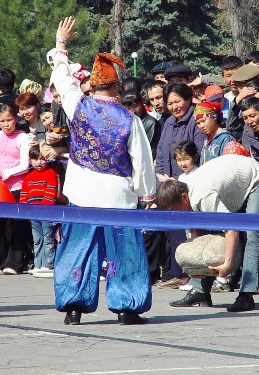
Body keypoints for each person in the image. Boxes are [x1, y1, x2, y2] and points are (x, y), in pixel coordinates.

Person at [49, 16, 156, 325]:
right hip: (118, 197)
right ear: (116, 87)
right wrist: (146, 193)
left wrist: (61, 44)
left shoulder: (77, 106)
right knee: (124, 252)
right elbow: (142, 161)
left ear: (93, 85)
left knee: (77, 250)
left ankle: (73, 307)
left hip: (82, 193)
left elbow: (62, 78)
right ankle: (126, 308)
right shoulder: (129, 119)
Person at [156, 154, 259, 312]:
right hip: (232, 185)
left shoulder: (203, 196)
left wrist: (228, 264)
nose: (174, 215)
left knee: (251, 232)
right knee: (210, 230)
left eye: (173, 210)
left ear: (183, 197)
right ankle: (200, 292)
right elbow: (196, 230)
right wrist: (197, 268)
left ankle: (246, 295)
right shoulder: (185, 189)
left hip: (254, 177)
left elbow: (231, 228)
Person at [155, 81, 205, 289]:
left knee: (189, 231)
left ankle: (190, 273)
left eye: (178, 101)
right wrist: (160, 177)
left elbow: (199, 153)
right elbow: (160, 152)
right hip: (168, 185)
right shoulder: (168, 122)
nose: (175, 106)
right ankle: (176, 272)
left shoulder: (195, 120)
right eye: (170, 103)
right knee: (173, 231)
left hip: (188, 185)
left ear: (187, 99)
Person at [0, 104, 30, 275]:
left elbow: (24, 166)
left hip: (18, 187)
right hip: (0, 188)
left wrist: (3, 173)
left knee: (17, 226)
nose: (6, 124)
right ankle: (0, 261)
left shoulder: (22, 137)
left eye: (9, 120)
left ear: (16, 119)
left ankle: (15, 263)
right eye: (2, 121)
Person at [19, 145, 61, 277]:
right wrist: (24, 209)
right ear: (30, 161)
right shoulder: (29, 176)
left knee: (48, 238)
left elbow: (51, 193)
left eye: (42, 159)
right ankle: (38, 264)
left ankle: (49, 264)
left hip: (46, 213)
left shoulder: (51, 173)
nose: (39, 162)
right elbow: (24, 194)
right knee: (37, 239)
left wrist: (43, 209)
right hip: (33, 214)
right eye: (35, 159)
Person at [122, 88, 161, 159]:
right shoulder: (123, 122)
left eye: (135, 106)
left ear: (142, 103)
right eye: (128, 108)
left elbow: (147, 148)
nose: (132, 111)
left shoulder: (150, 122)